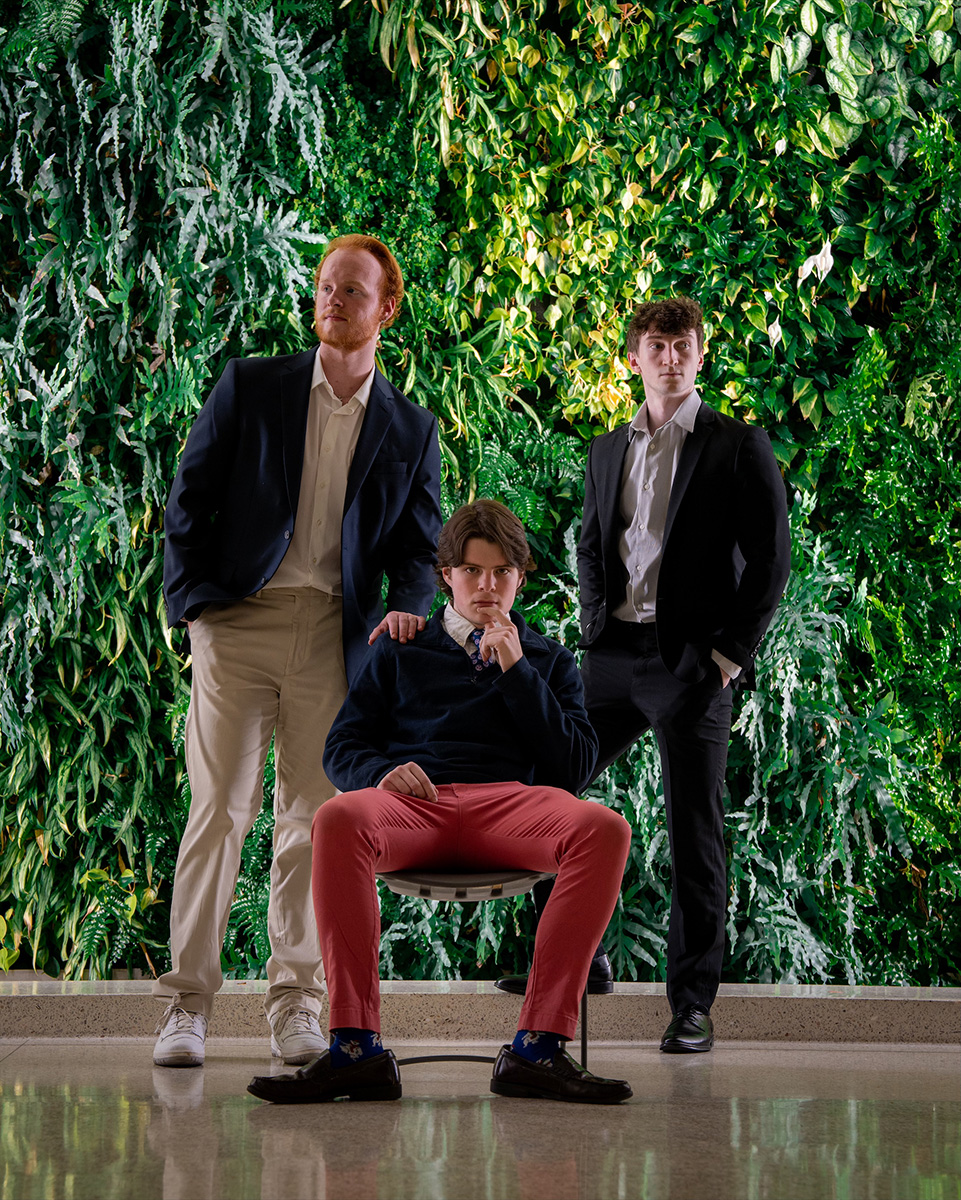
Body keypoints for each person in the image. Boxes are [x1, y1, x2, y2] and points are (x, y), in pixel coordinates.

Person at [153, 235, 443, 1068]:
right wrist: (196, 612)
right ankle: (186, 1006)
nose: (331, 301)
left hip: (333, 640)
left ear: (385, 308)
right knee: (218, 811)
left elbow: (418, 556)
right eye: (323, 287)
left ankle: (295, 1004)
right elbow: (190, 497)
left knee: (313, 824)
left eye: (350, 291)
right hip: (238, 625)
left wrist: (402, 622)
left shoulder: (410, 430)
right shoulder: (253, 385)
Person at [246, 499, 634, 1105]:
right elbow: (343, 745)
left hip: (512, 806)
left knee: (605, 828)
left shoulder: (549, 661)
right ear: (446, 575)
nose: (488, 585)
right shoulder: (402, 647)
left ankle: (537, 1049)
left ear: (520, 578)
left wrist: (516, 671)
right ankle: (355, 1049)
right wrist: (380, 773)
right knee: (337, 816)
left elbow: (574, 768)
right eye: (473, 571)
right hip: (416, 806)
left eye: (503, 572)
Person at [497, 296, 791, 1054]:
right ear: (633, 358)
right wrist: (595, 625)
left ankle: (691, 1006)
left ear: (700, 356)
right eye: (655, 345)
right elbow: (591, 545)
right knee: (545, 784)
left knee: (694, 832)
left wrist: (727, 657)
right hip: (614, 656)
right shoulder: (606, 450)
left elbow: (769, 563)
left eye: (681, 345)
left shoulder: (737, 446)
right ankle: (578, 960)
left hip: (691, 666)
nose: (669, 357)